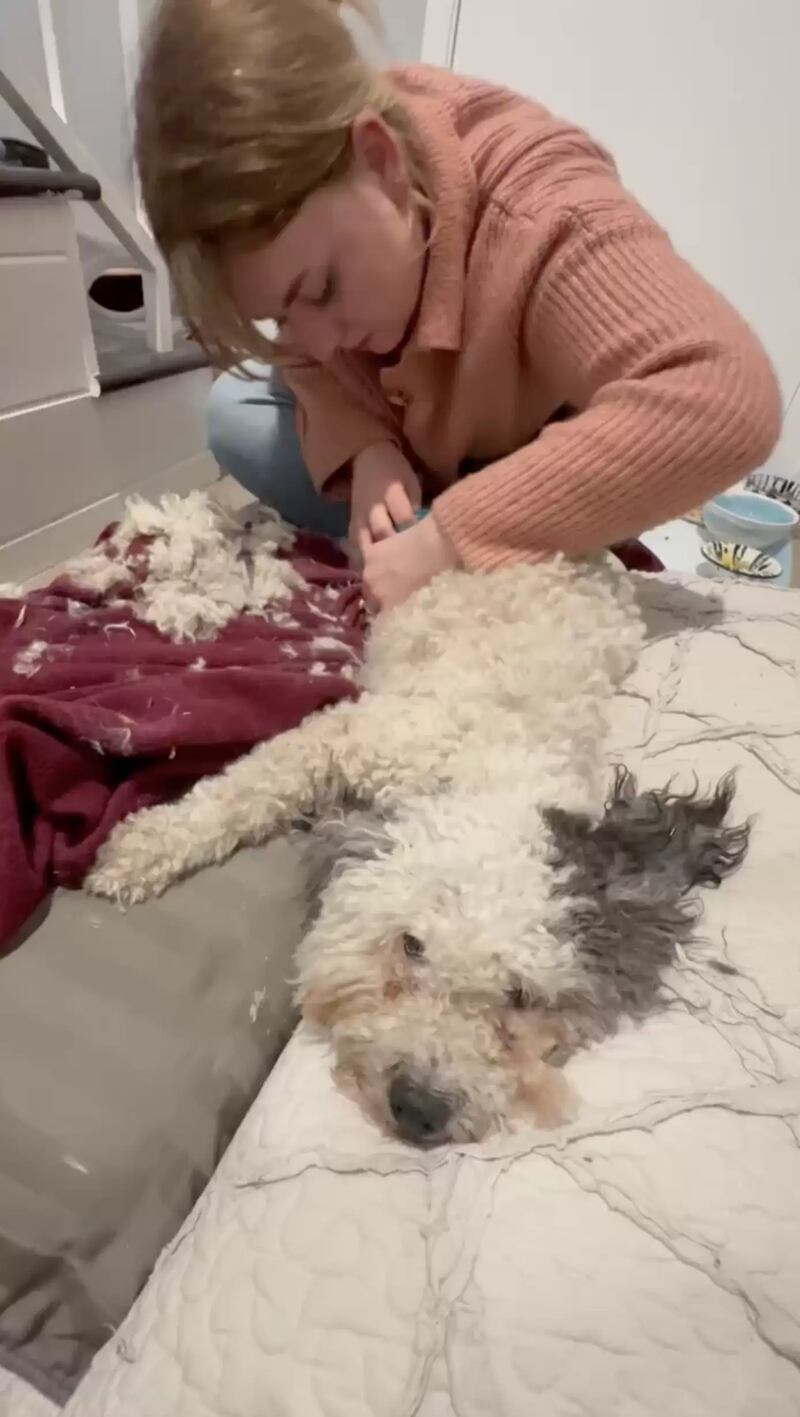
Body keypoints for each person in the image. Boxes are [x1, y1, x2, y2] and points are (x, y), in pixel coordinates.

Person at [135, 0, 781, 612]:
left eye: (323, 287)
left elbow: (727, 395)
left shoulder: (543, 210)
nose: (320, 341)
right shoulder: (323, 254)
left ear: (381, 160)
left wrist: (453, 536)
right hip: (420, 443)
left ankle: (466, 538)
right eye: (280, 314)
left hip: (523, 456)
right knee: (234, 409)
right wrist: (365, 451)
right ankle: (407, 525)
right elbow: (307, 361)